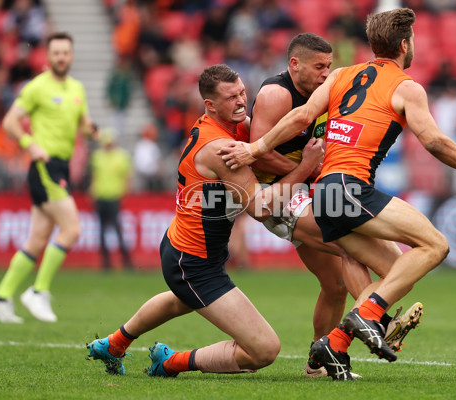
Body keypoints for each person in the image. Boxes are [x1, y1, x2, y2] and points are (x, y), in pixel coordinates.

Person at [219, 8, 456, 380]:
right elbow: (434, 141)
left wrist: (254, 148)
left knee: (390, 270)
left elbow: (303, 116)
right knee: (435, 246)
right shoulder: (406, 86)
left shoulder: (342, 75)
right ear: (405, 44)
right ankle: (368, 316)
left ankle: (334, 343)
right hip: (344, 188)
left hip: (323, 194)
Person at [87, 64, 324, 377]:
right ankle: (169, 362)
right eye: (231, 98)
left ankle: (114, 343)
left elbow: (267, 149)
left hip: (185, 251)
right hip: (193, 263)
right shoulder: (221, 148)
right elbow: (261, 209)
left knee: (180, 301)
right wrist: (306, 167)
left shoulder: (232, 127)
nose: (242, 101)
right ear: (210, 106)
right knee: (264, 350)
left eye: (242, 92)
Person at [249, 32, 420, 378]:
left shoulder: (326, 91)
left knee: (335, 285)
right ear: (294, 64)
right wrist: (309, 168)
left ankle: (317, 362)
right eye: (318, 67)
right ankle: (379, 322)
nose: (326, 73)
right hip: (279, 195)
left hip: (309, 188)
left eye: (329, 66)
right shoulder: (275, 95)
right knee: (350, 249)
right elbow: (258, 156)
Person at [0, 32, 98, 323]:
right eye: (56, 52)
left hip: (62, 166)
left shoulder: (77, 89)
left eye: (65, 53)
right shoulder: (37, 87)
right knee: (71, 229)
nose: (61, 57)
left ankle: (0, 297)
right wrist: (29, 144)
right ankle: (38, 291)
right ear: (47, 56)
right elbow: (9, 121)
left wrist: (94, 130)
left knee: (37, 239)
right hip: (45, 166)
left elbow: (83, 123)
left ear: (71, 56)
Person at [89, 127, 133, 270]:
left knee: (116, 229)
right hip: (100, 195)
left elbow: (126, 177)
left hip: (114, 196)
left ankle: (125, 260)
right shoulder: (97, 156)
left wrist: (124, 193)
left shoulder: (121, 156)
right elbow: (94, 176)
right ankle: (106, 262)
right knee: (102, 229)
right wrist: (92, 192)